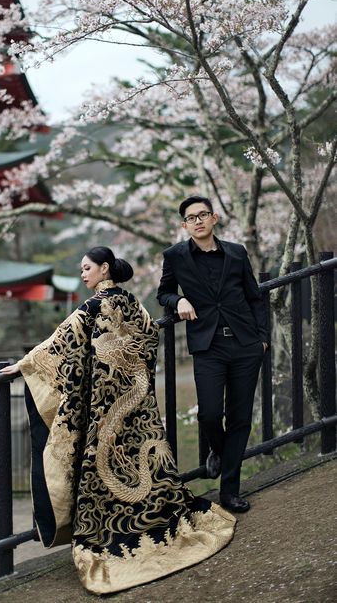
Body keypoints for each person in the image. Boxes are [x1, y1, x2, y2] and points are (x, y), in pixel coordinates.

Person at [0, 246, 235, 595]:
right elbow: (150, 336)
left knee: (102, 466)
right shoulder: (133, 303)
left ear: (104, 268)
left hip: (105, 408)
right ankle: (153, 524)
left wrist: (25, 364)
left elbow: (60, 342)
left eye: (86, 268)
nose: (83, 274)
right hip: (139, 408)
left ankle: (116, 538)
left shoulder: (92, 307)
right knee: (144, 461)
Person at [157, 196, 269, 514]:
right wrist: (176, 301)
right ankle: (219, 451)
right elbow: (162, 291)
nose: (198, 221)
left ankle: (229, 491)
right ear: (184, 225)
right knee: (208, 414)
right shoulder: (175, 256)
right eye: (191, 217)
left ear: (214, 218)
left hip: (246, 345)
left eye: (203, 215)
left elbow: (254, 297)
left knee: (240, 418)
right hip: (208, 347)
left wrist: (263, 339)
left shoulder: (236, 252)